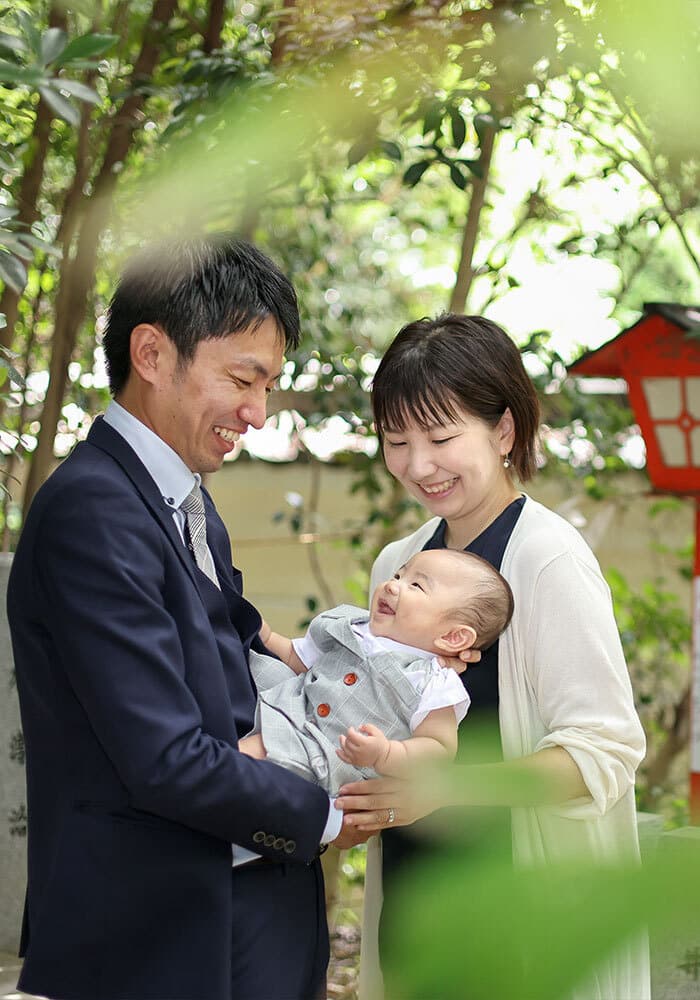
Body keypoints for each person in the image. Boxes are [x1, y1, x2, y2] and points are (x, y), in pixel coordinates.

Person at [7, 236, 354, 1000]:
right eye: (242, 378)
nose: (257, 414)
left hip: (242, 910)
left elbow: (238, 639)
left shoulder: (182, 500)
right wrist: (325, 815)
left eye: (269, 386)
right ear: (153, 354)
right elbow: (163, 757)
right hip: (155, 937)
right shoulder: (93, 512)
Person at [334, 313, 650, 1000]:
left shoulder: (550, 561)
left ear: (503, 432)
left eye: (442, 437)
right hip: (418, 917)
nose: (418, 465)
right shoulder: (398, 562)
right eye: (397, 440)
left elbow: (604, 752)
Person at [239, 548, 514, 792]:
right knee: (251, 667)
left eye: (416, 585)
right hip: (289, 702)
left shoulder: (432, 682)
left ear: (453, 637)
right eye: (398, 576)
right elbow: (296, 659)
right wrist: (266, 634)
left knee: (243, 754)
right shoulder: (355, 628)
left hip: (323, 753)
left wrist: (386, 754)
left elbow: (437, 748)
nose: (392, 586)